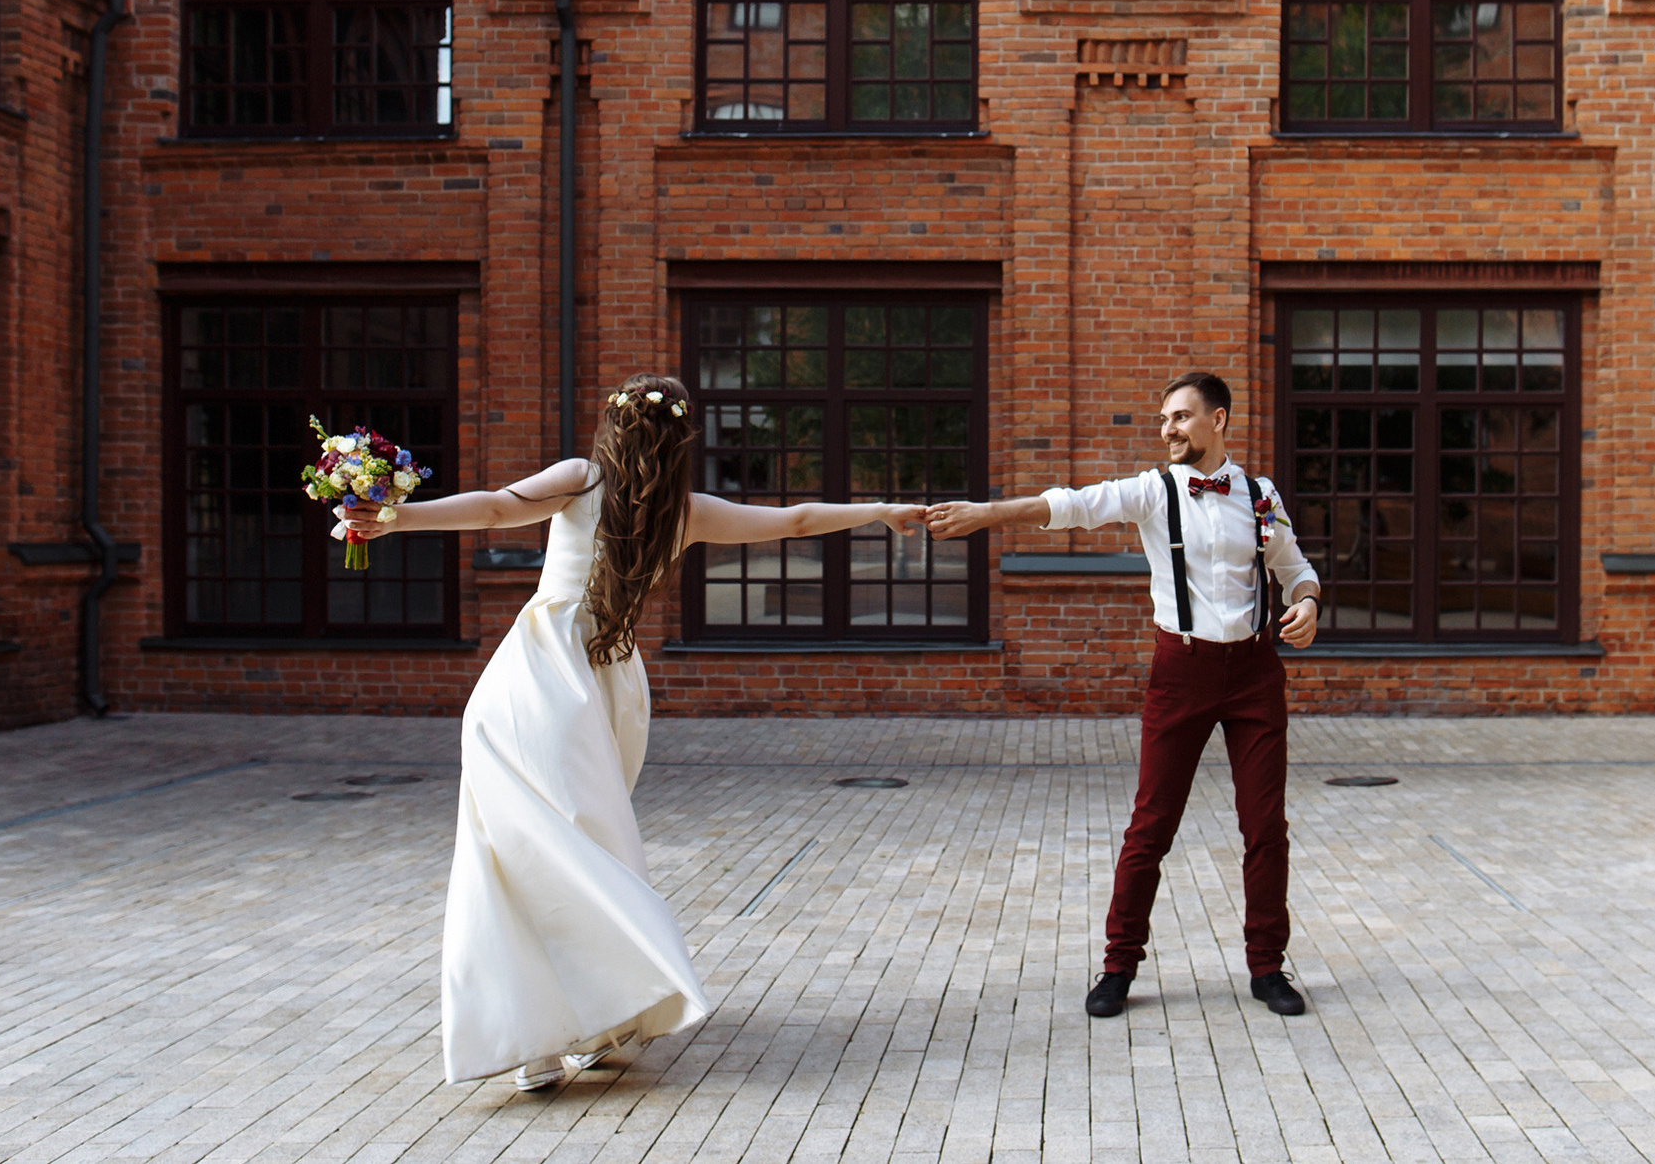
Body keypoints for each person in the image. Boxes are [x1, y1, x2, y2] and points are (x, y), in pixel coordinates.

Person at [338, 373, 928, 1091]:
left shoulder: (581, 480)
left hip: (536, 679)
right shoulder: (685, 512)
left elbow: (495, 509)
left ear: (614, 428)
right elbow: (796, 520)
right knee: (589, 849)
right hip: (609, 681)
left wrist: (398, 518)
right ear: (681, 440)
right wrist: (884, 509)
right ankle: (597, 1021)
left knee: (520, 852)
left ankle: (544, 1035)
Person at [927, 369, 1322, 1019]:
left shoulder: (1258, 494)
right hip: (1182, 670)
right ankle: (1118, 966)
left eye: (1181, 417)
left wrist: (1307, 604)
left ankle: (1267, 967)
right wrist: (987, 514)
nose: (1167, 429)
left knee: (1265, 828)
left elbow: (1296, 570)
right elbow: (1072, 505)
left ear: (1217, 421)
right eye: (1163, 419)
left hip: (1255, 674)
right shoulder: (1152, 492)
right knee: (1151, 825)